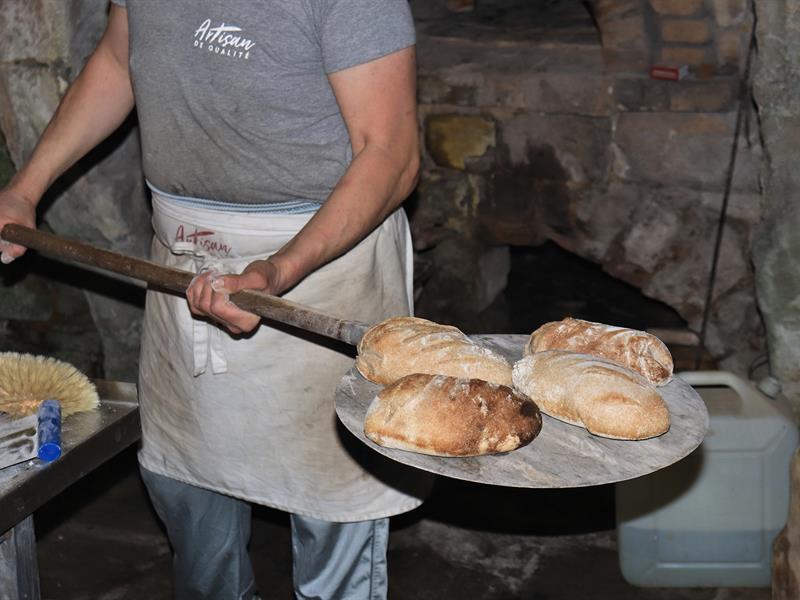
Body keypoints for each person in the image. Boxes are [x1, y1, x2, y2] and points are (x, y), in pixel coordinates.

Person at [0, 1, 433, 598]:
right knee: (186, 496)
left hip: (319, 267)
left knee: (332, 512)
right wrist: (24, 190)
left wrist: (278, 271)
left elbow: (392, 154)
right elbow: (120, 59)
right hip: (181, 262)